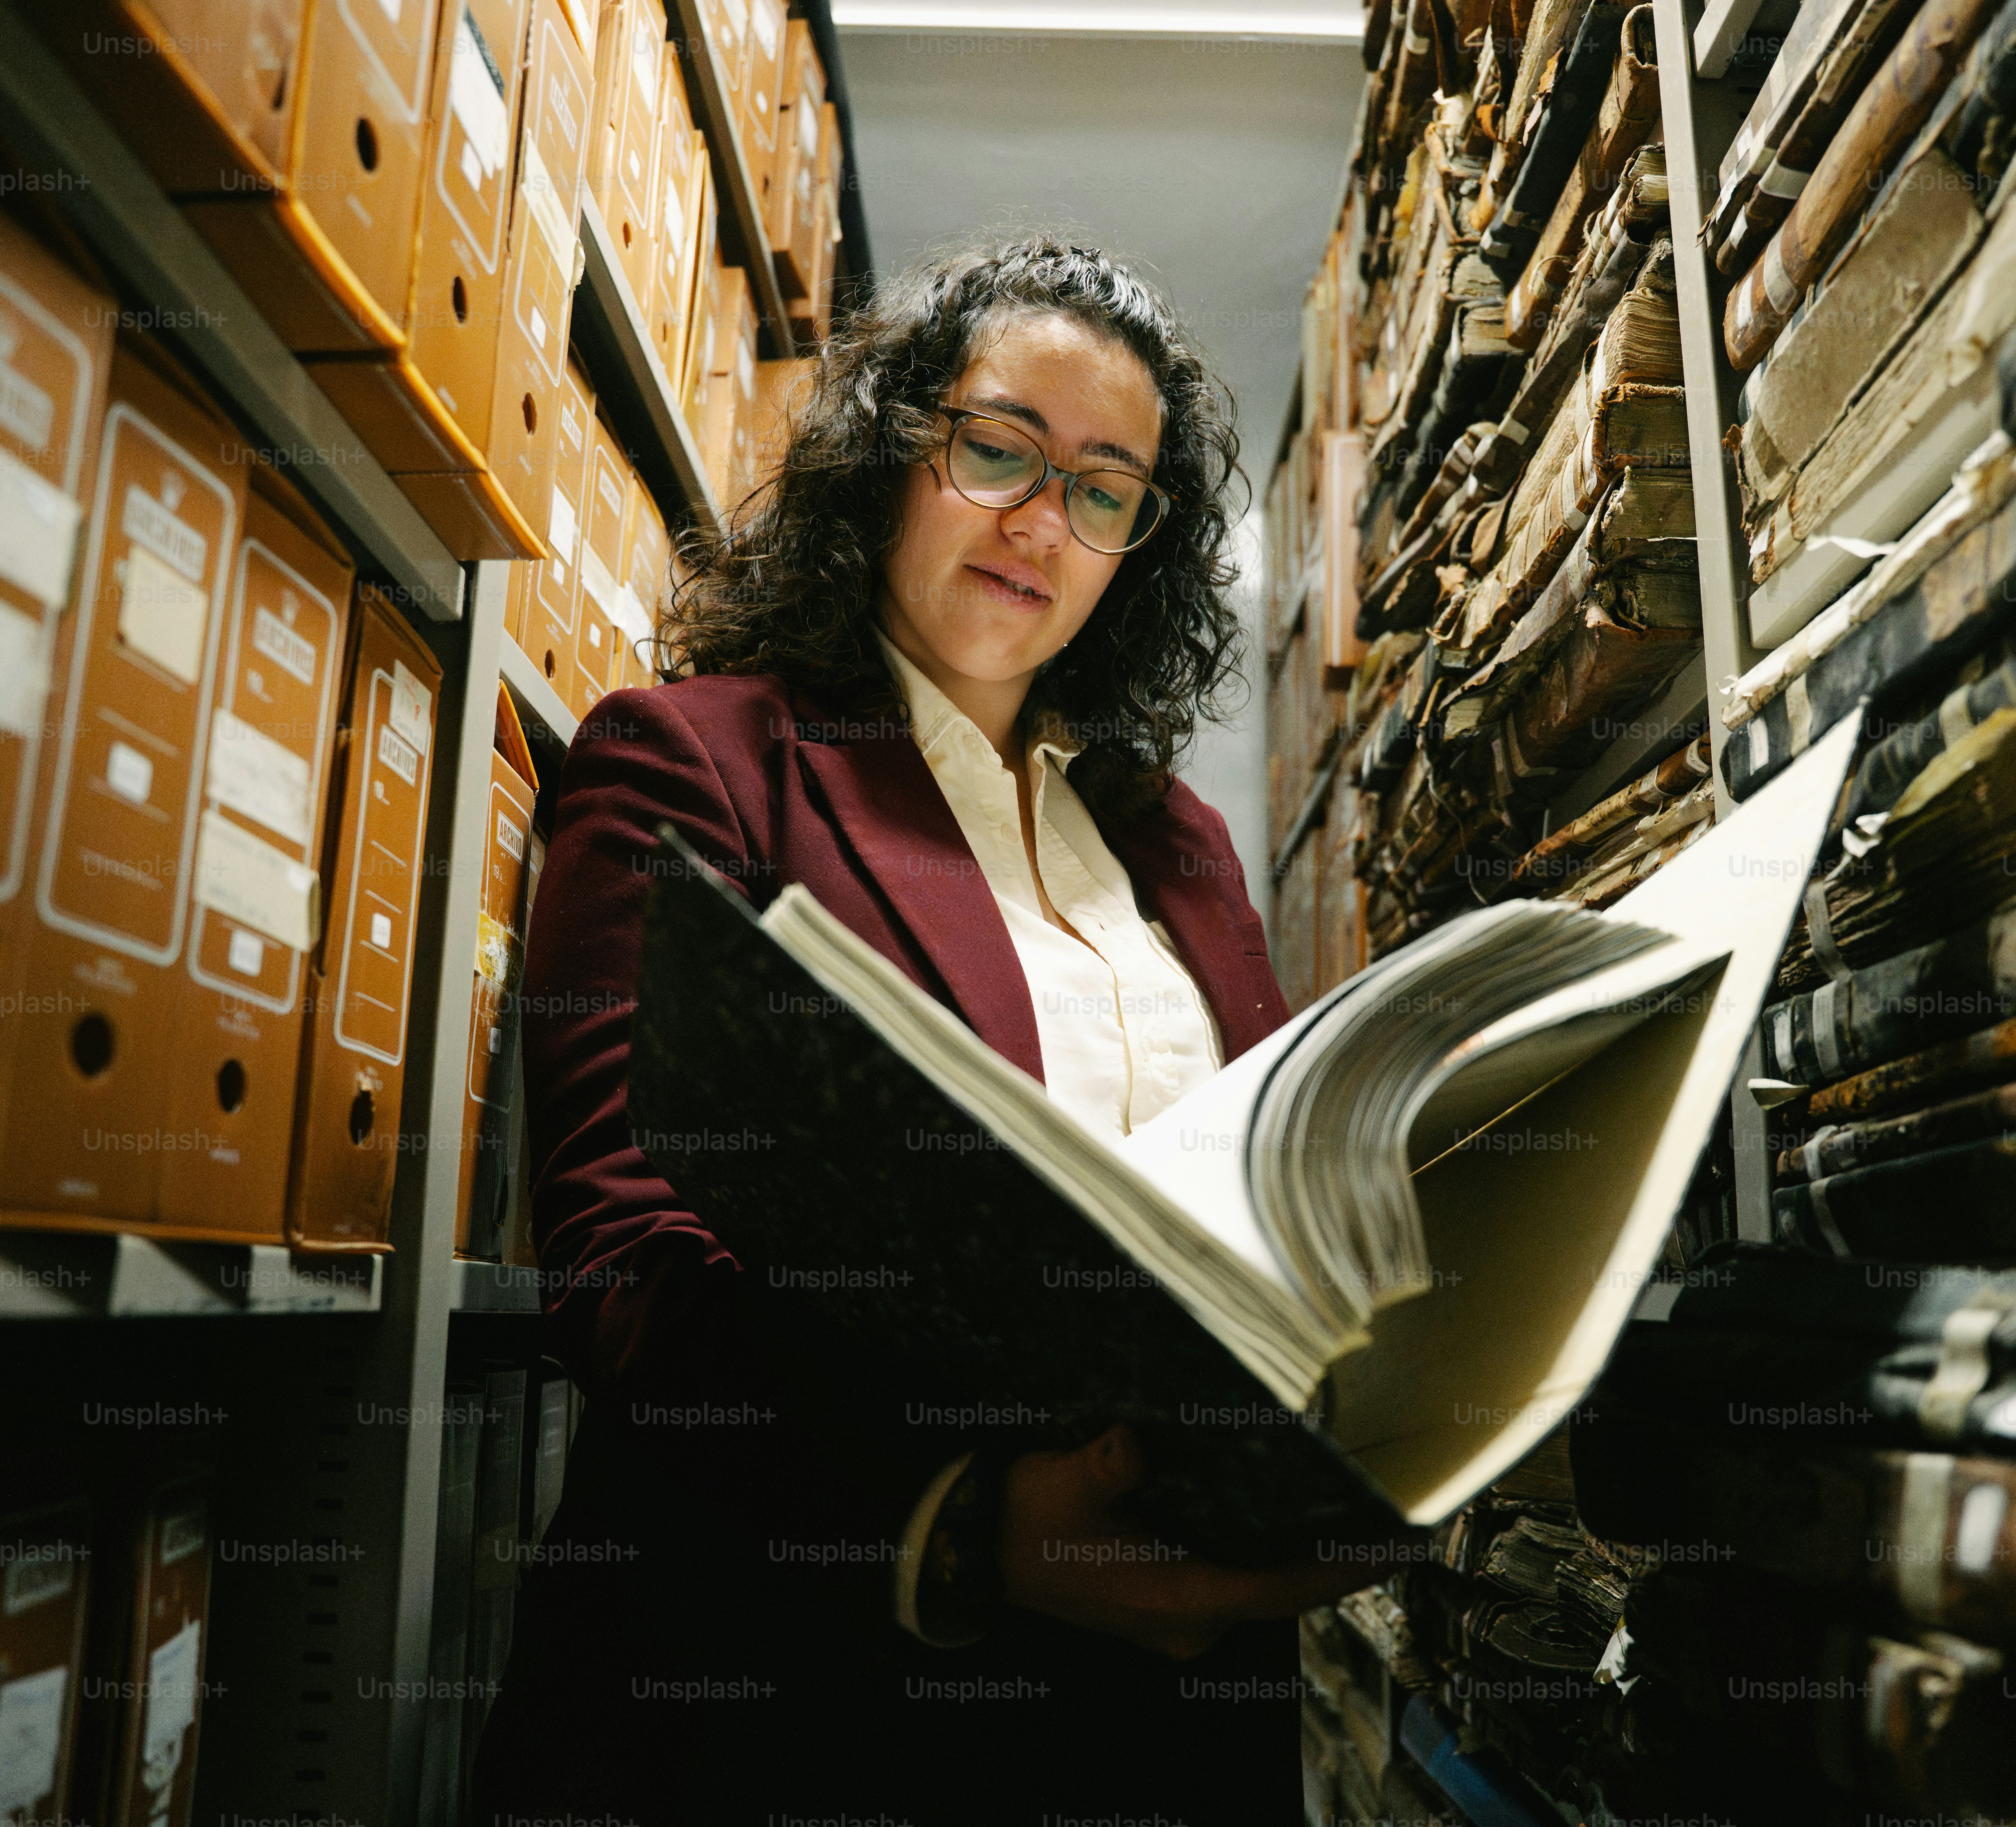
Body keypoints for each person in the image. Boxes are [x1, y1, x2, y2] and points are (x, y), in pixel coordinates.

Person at [472, 235, 1375, 1824]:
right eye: (999, 447)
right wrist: (958, 1523)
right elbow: (622, 1263)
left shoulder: (1179, 847)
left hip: (1172, 1721)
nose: (1043, 519)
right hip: (806, 1691)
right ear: (898, 446)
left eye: (1105, 489)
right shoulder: (699, 762)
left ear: (1136, 554)